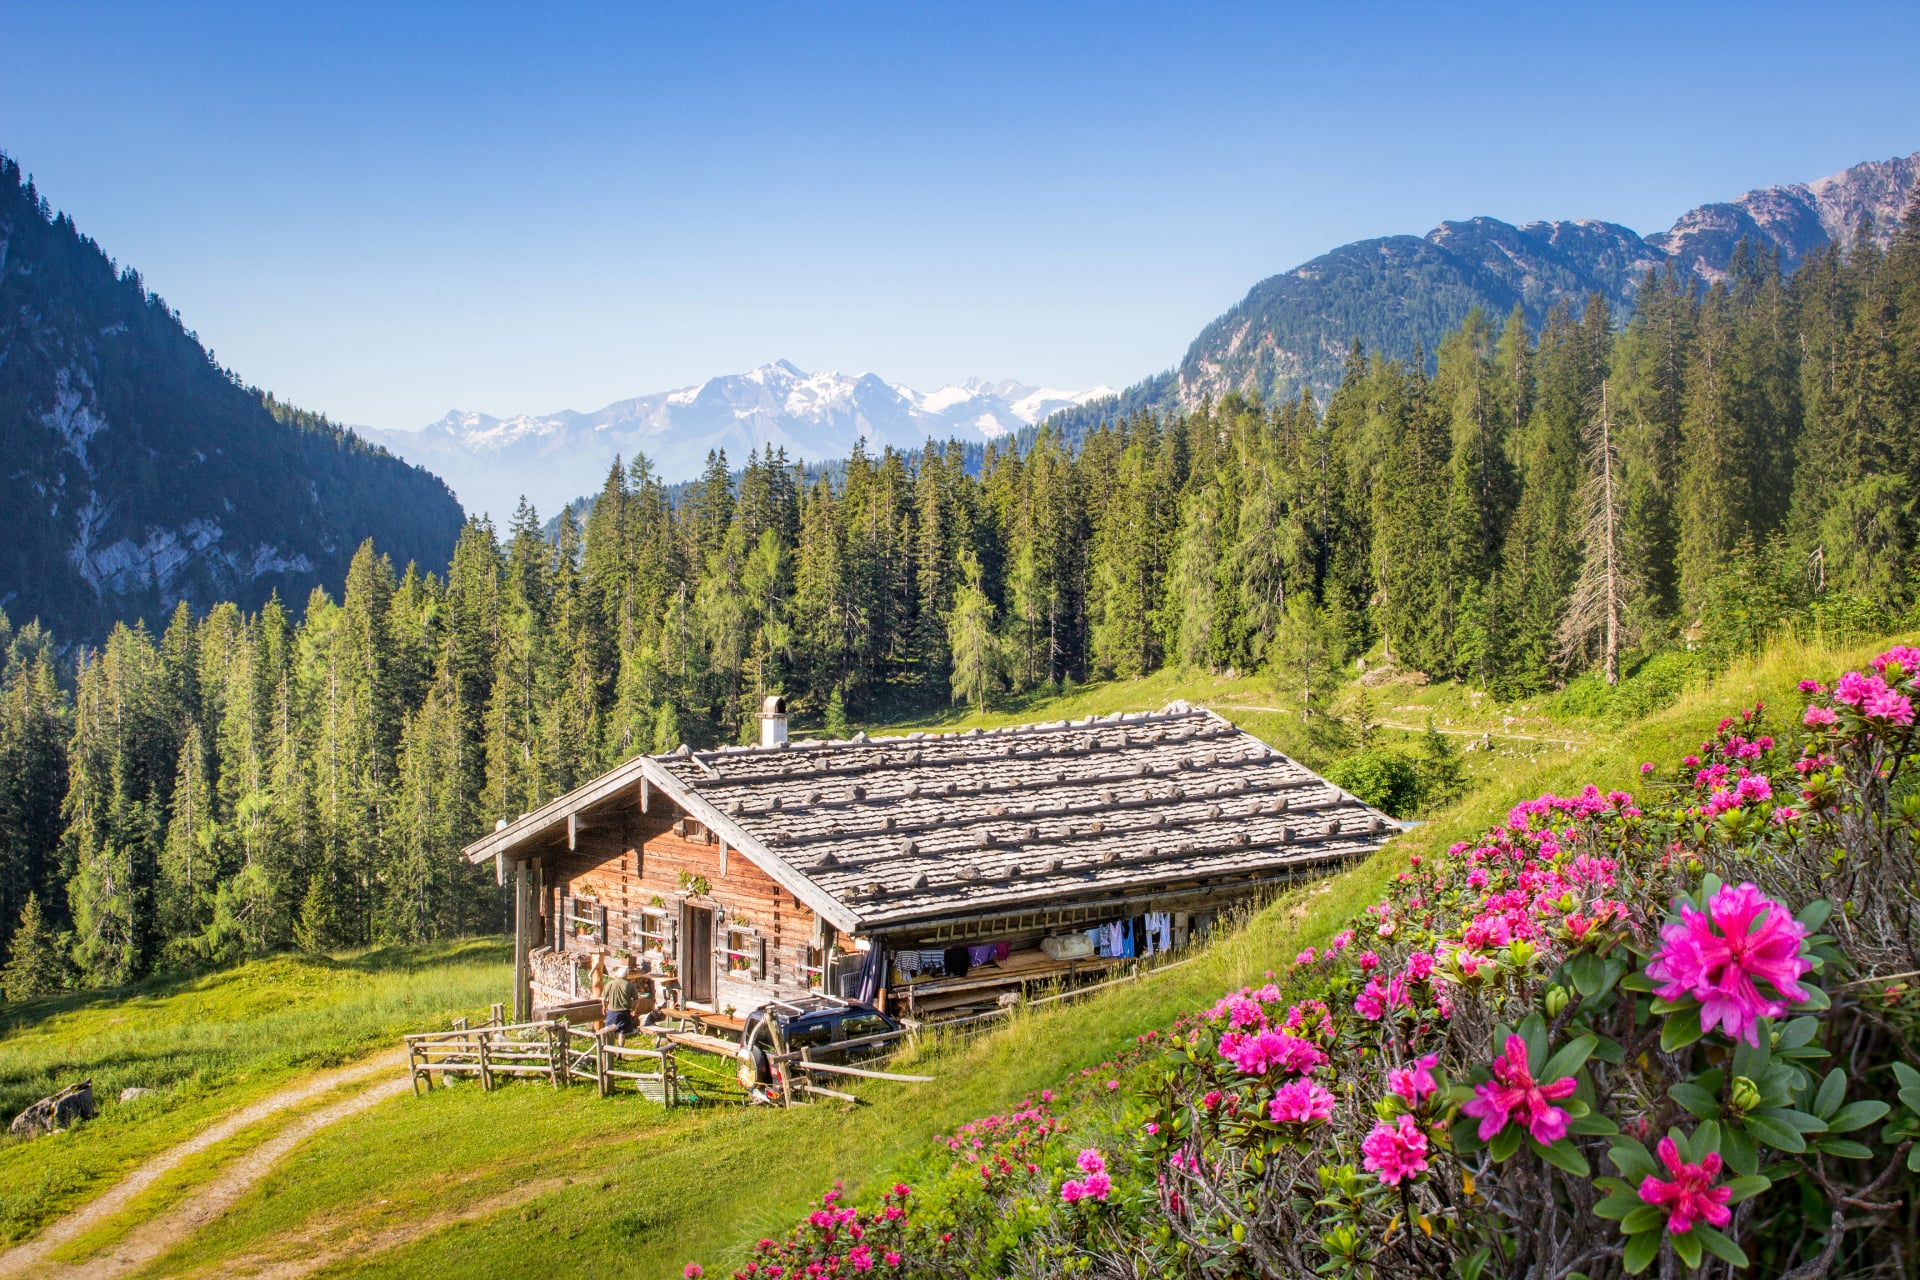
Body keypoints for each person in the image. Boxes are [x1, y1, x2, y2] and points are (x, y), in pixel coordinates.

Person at [601, 962, 637, 1043]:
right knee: (622, 1032)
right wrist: (634, 1009)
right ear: (626, 975)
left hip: (612, 1011)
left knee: (609, 1031)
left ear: (617, 974)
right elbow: (636, 1000)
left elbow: (603, 998)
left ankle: (609, 1050)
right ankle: (619, 1053)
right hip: (625, 1012)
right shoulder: (630, 985)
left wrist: (604, 1007)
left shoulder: (610, 984)